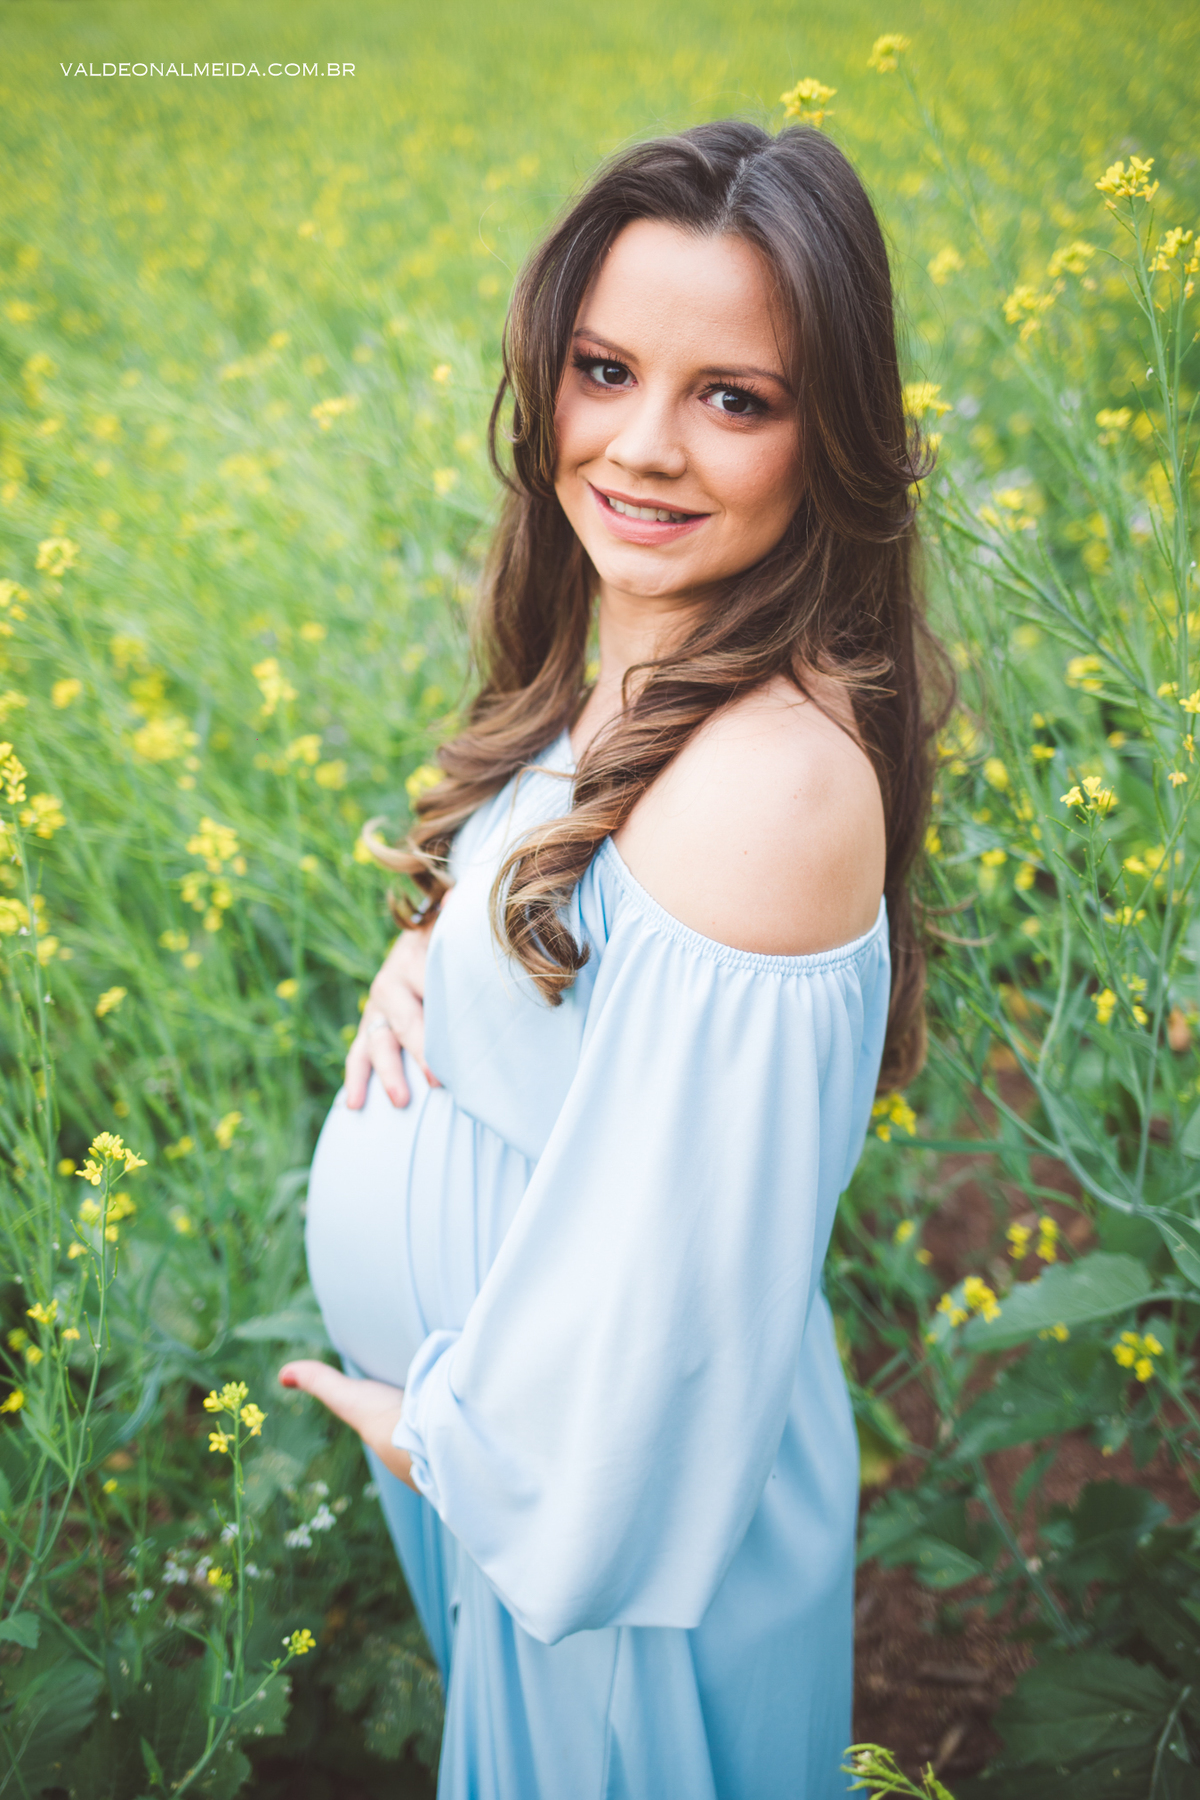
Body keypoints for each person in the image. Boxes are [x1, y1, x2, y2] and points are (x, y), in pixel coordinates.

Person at [280, 117, 942, 1799]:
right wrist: (437, 945)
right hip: (543, 1495)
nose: (642, 447)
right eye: (603, 368)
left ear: (831, 437)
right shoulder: (650, 677)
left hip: (616, 1530)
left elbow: (673, 1289)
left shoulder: (776, 781)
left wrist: (452, 1439)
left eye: (736, 397)